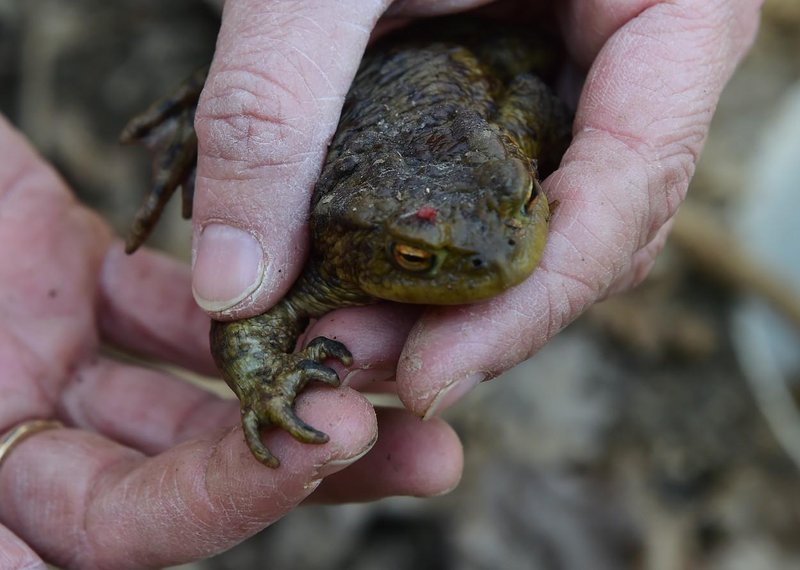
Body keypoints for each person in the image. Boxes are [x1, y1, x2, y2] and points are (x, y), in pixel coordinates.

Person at [0, 0, 760, 567]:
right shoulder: (337, 251)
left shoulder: (501, 149)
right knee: (254, 106)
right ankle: (192, 113)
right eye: (422, 259)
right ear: (377, 254)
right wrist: (264, 382)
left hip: (442, 60)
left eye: (522, 203)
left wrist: (566, 147)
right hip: (351, 146)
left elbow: (533, 99)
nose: (497, 260)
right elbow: (246, 318)